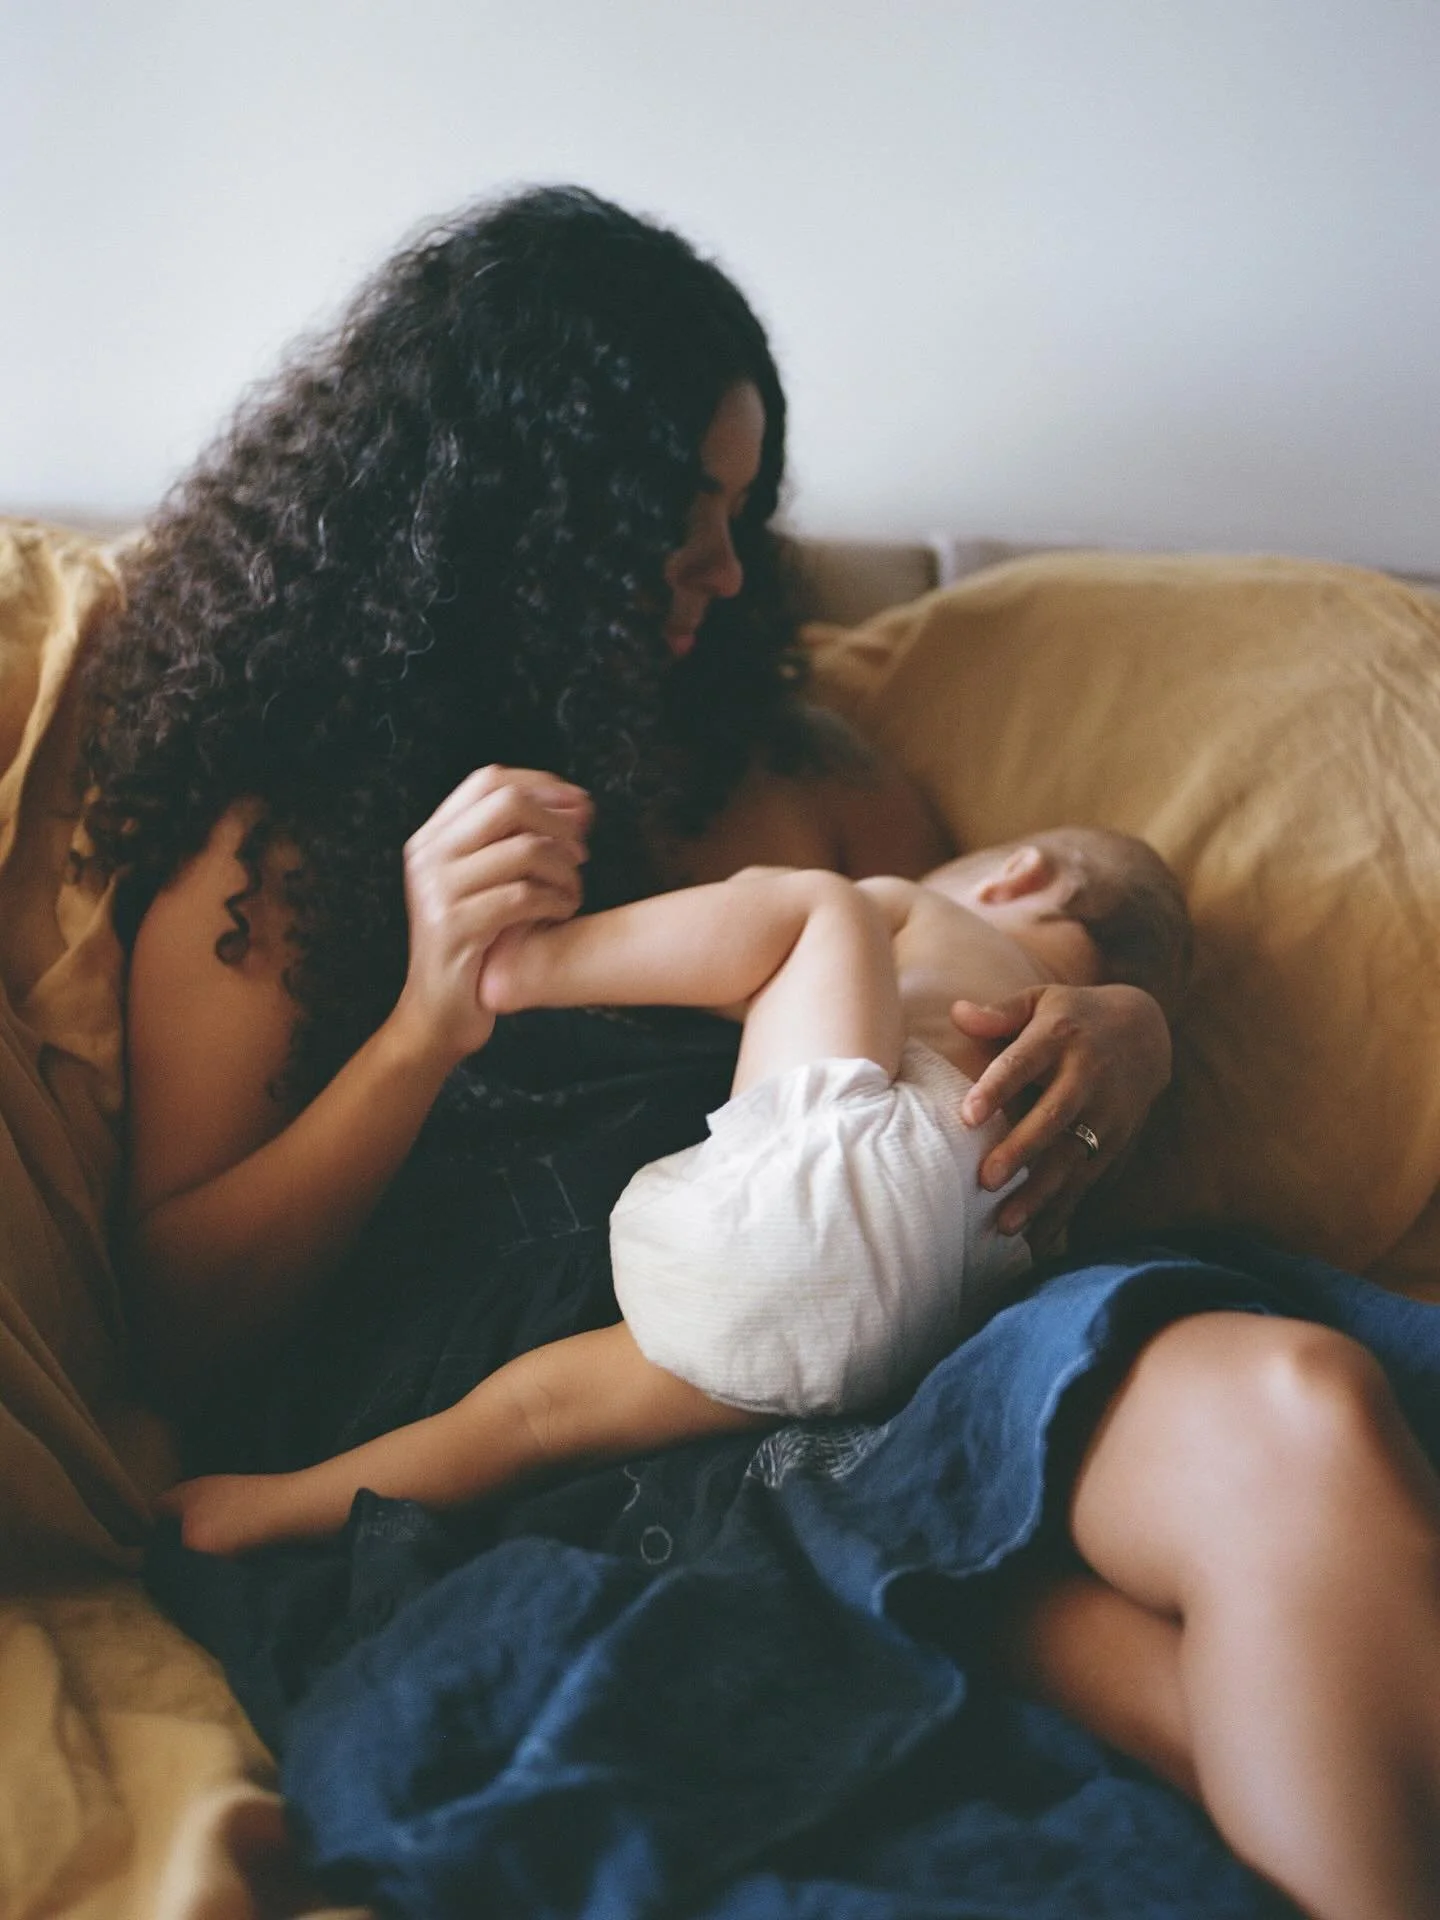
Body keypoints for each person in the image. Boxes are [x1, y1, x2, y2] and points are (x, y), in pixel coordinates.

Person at [80, 185, 1440, 1920]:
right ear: (526, 515)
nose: (728, 570)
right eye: (681, 516)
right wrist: (429, 1017)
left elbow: (988, 957)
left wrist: (1130, 1027)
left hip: (920, 1371)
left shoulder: (798, 774)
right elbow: (186, 1326)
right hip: (554, 1462)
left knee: (1299, 1408)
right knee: (1111, 1696)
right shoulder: (277, 856)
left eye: (742, 509)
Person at [154, 827, 1193, 1554]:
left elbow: (798, 928)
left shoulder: (931, 915)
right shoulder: (1087, 1096)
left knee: (818, 905)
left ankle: (525, 970)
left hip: (847, 1170)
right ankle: (277, 1509)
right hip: (910, 1325)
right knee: (542, 1417)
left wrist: (754, 901)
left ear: (1018, 873)